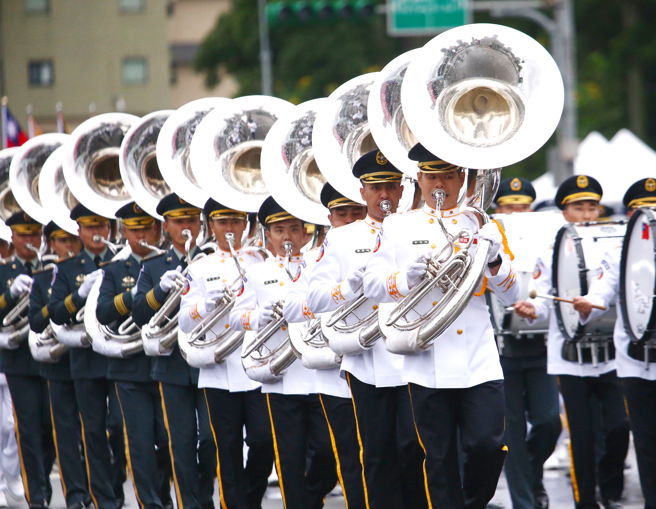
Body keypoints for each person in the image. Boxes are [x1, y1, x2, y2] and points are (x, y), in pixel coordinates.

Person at [363, 144, 519, 508]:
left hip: (478, 359)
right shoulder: (399, 226)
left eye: (448, 175)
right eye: (432, 176)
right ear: (419, 179)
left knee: (486, 445)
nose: (440, 184)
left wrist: (495, 258)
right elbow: (372, 283)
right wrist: (404, 279)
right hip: (426, 363)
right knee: (438, 458)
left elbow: (513, 295)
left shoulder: (483, 222)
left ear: (461, 179)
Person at [307, 150, 427, 509]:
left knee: (414, 447)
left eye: (391, 185)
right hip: (367, 362)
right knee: (375, 454)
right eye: (376, 188)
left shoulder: (417, 228)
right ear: (363, 192)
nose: (385, 194)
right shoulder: (343, 239)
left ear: (403, 190)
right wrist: (347, 288)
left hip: (412, 357)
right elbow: (314, 298)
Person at [514, 175, 630, 509]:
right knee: (582, 435)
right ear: (564, 212)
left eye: (592, 206)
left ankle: (610, 489)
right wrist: (531, 308)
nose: (587, 214)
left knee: (619, 427)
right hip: (570, 355)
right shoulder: (552, 250)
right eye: (578, 207)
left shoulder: (615, 244)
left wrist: (592, 302)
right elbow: (544, 294)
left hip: (611, 354)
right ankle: (585, 502)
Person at [229, 196, 337, 509]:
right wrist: (256, 317)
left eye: (294, 229)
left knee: (326, 451)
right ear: (268, 235)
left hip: (319, 372)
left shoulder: (320, 263)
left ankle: (311, 496)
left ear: (306, 233)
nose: (287, 237)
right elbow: (237, 316)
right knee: (288, 457)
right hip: (281, 377)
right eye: (279, 230)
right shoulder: (258, 272)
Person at [178, 198, 273, 509]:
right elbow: (184, 319)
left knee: (263, 441)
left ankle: (248, 499)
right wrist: (203, 307)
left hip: (257, 362)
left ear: (245, 225)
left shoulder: (262, 261)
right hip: (219, 372)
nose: (230, 229)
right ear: (211, 227)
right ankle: (235, 503)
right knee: (226, 447)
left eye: (236, 222)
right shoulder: (200, 267)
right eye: (222, 223)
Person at [282, 183, 368, 508]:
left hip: (383, 369)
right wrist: (329, 302)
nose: (348, 219)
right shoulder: (312, 257)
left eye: (355, 212)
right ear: (329, 217)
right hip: (335, 377)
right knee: (348, 455)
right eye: (341, 213)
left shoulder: (386, 244)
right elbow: (291, 306)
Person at [572, 177, 656, 509]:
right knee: (646, 442)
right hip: (636, 360)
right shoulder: (619, 248)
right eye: (642, 211)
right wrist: (589, 302)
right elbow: (605, 284)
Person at [132, 193, 216, 509]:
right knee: (179, 443)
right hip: (172, 368)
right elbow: (140, 313)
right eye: (178, 221)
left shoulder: (212, 258)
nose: (186, 227)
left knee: (210, 440)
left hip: (208, 363)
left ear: (200, 223)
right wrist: (160, 290)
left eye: (191, 220)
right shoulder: (154, 266)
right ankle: (189, 504)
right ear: (166, 226)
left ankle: (205, 496)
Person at [94, 202, 173, 509]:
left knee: (168, 442)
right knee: (139, 445)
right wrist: (133, 297)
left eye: (146, 227)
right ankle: (149, 503)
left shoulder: (169, 265)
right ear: (124, 231)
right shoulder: (113, 270)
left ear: (157, 229)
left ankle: (164, 497)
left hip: (164, 363)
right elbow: (101, 313)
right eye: (134, 229)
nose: (141, 234)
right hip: (129, 369)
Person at [48, 204, 126, 509]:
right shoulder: (66, 269)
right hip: (84, 360)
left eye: (102, 226)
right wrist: (79, 296)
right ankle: (104, 498)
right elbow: (55, 313)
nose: (97, 233)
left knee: (120, 427)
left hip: (118, 357)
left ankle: (116, 484)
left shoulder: (121, 264)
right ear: (78, 231)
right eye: (89, 227)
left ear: (110, 229)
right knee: (92, 430)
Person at [493, 178, 562, 509]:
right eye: (509, 207)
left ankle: (532, 477)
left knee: (549, 422)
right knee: (513, 435)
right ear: (498, 210)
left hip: (539, 346)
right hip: (501, 349)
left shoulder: (545, 241)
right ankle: (525, 502)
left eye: (522, 207)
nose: (516, 213)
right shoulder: (491, 239)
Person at [29, 221, 88, 509]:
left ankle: (102, 487)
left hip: (88, 359)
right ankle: (76, 495)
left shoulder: (89, 271)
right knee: (65, 434)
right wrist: (61, 302)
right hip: (58, 364)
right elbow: (38, 321)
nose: (69, 247)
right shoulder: (42, 279)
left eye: (73, 240)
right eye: (62, 241)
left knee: (99, 430)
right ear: (52, 244)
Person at [0, 212, 55, 509]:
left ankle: (41, 478)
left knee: (50, 427)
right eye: (23, 235)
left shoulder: (51, 270)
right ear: (14, 238)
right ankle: (36, 494)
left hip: (49, 358)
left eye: (35, 235)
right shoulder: (3, 272)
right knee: (28, 428)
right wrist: (9, 294)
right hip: (19, 362)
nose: (30, 241)